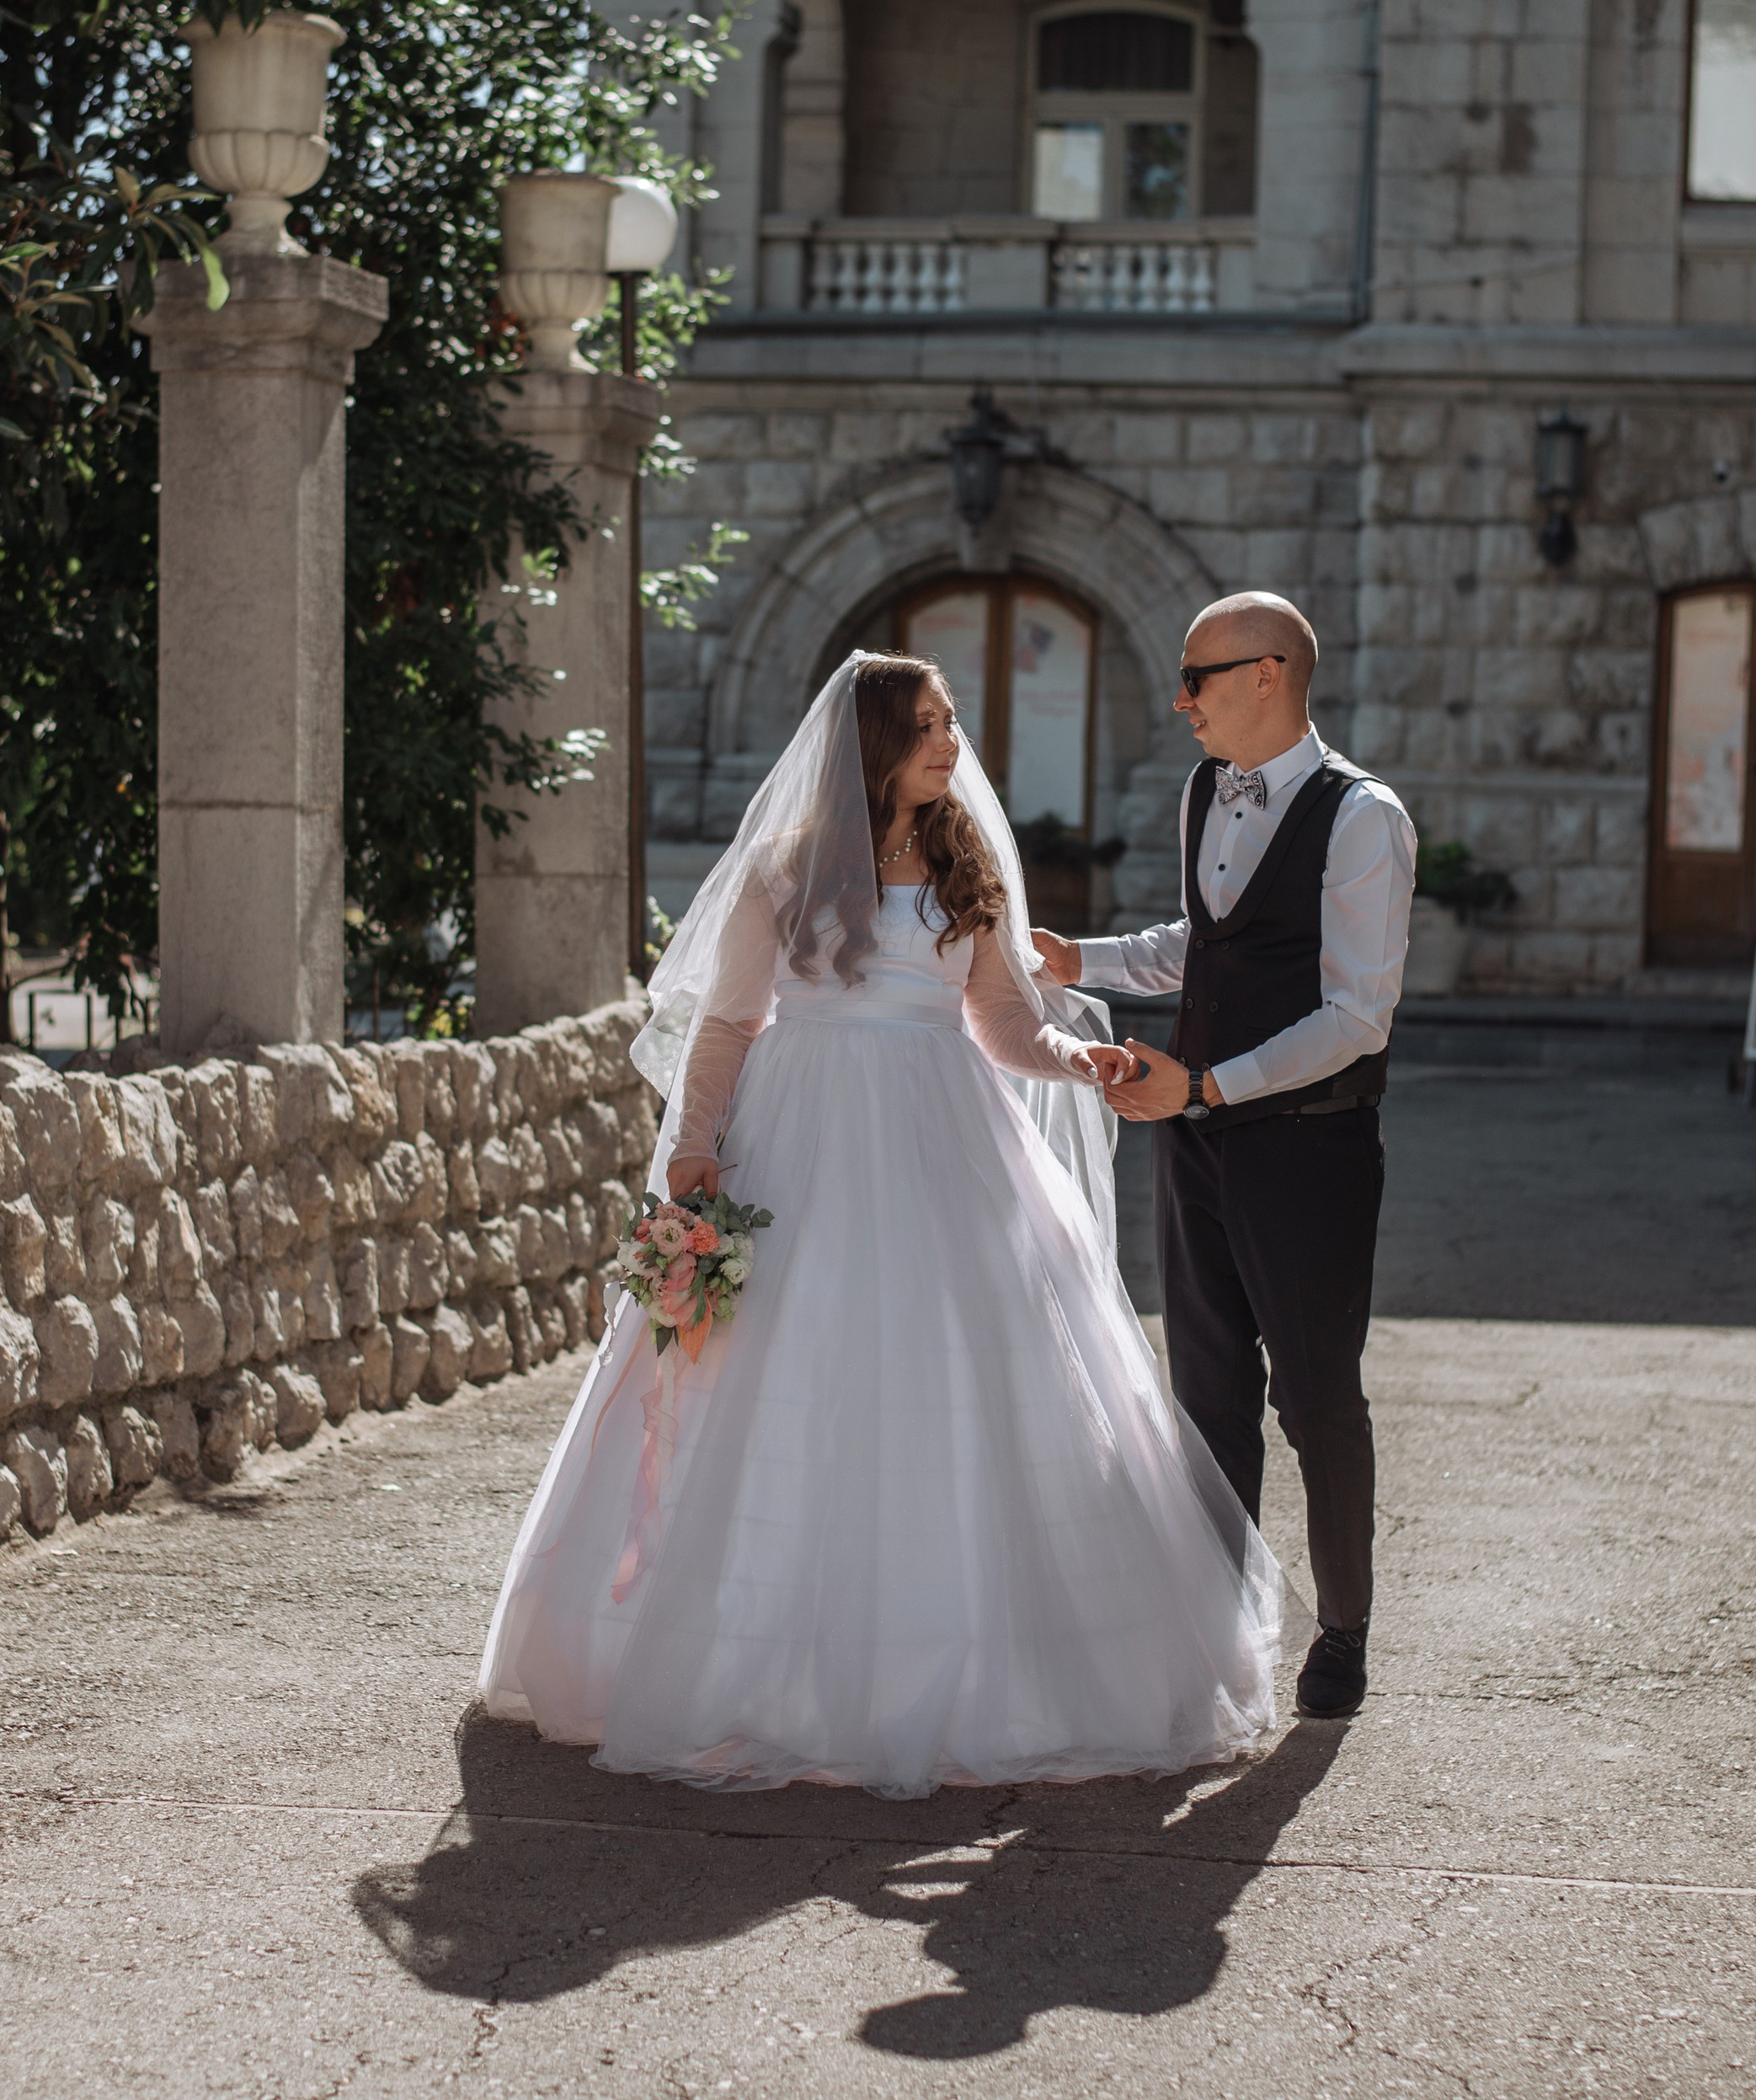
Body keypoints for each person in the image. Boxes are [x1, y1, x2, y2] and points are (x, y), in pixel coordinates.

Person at [479, 655, 1295, 1798]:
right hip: (798, 1139)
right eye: (926, 726)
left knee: (954, 1373)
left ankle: (963, 1662)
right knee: (787, 1372)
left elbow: (1007, 1026)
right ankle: (755, 1666)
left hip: (944, 1140)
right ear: (872, 743)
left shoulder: (969, 871)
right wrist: (694, 1155)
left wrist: (1083, 1059)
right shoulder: (784, 875)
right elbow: (725, 1029)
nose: (950, 744)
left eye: (953, 722)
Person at [1032, 592, 1416, 1723]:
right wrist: (1081, 957)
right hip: (1194, 1142)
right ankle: (1217, 1634)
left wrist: (1203, 1083)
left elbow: (1356, 1018)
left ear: (1270, 675)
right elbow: (1200, 948)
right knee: (1204, 1397)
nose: (1181, 696)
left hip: (1308, 1149)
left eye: (1200, 675)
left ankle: (1342, 1627)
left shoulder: (1363, 819)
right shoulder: (1208, 789)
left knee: (1314, 1399)